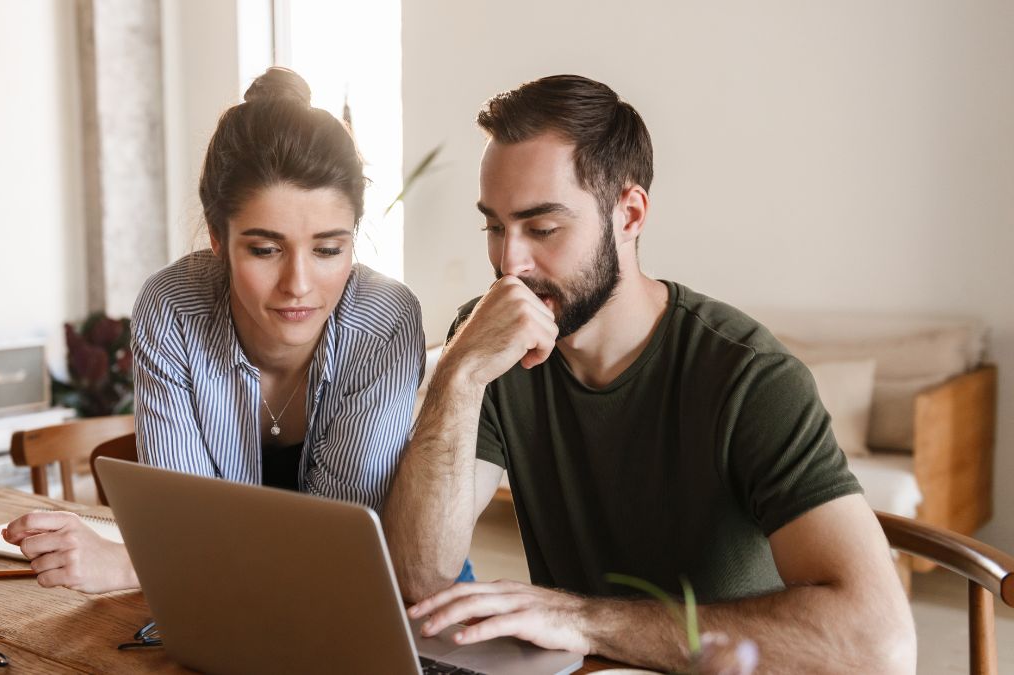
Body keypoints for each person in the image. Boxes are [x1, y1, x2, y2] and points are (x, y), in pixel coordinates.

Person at [382, 75, 917, 673]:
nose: (510, 263)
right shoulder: (491, 344)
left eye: (543, 228)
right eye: (494, 226)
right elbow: (419, 578)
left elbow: (880, 644)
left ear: (629, 214)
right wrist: (458, 373)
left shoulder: (750, 377)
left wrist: (582, 619)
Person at [3, 67, 427, 594]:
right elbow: (185, 522)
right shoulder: (174, 307)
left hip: (378, 593)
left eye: (327, 250)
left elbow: (335, 550)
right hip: (226, 598)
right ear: (217, 238)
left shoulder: (385, 322)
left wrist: (136, 566)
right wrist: (173, 553)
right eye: (265, 249)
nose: (298, 284)